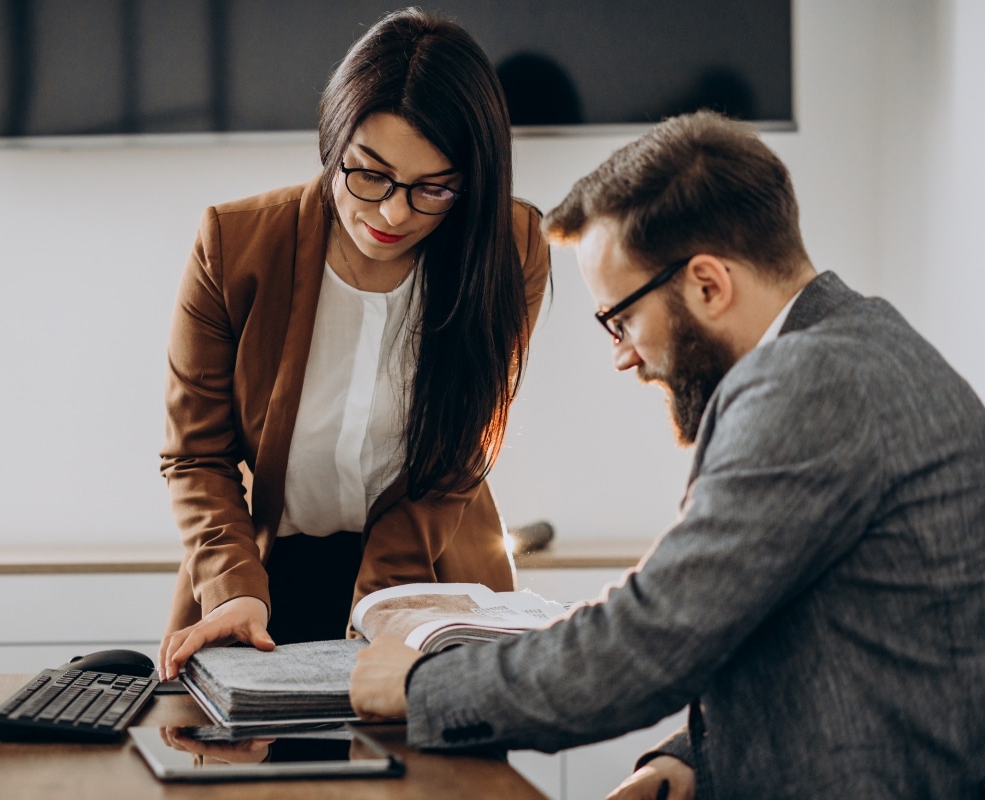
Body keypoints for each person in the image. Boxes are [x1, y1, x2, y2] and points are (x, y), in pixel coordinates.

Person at [349, 110, 985, 799]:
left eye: (619, 319)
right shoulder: (862, 346)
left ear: (708, 284)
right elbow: (802, 633)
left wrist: (422, 685)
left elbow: (652, 638)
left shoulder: (811, 383)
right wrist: (686, 760)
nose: (622, 355)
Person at [157, 8, 550, 682]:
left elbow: (463, 450)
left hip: (430, 579)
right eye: (370, 175)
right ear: (332, 140)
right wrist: (232, 585)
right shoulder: (235, 243)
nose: (395, 213)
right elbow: (197, 455)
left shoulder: (509, 249)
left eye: (434, 188)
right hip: (261, 584)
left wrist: (385, 599)